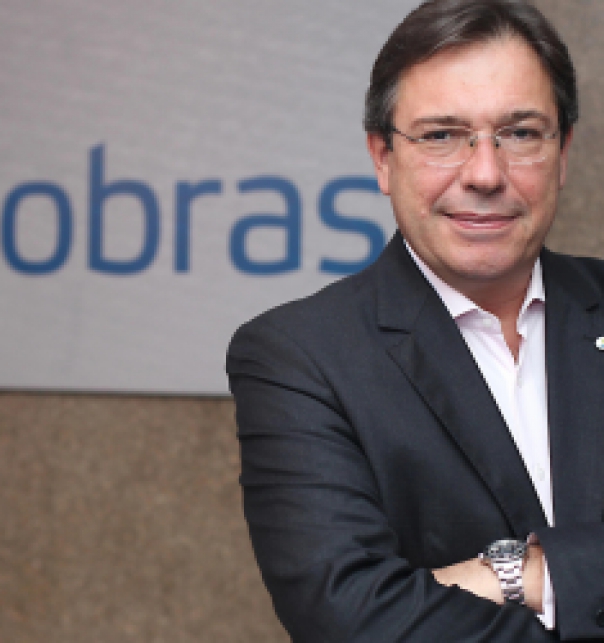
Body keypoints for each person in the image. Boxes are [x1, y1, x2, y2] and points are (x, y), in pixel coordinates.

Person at [226, 0, 604, 640]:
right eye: (441, 136)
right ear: (382, 157)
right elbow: (349, 618)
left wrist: (520, 576)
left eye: (520, 133)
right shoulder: (300, 356)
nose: (485, 173)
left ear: (563, 152)